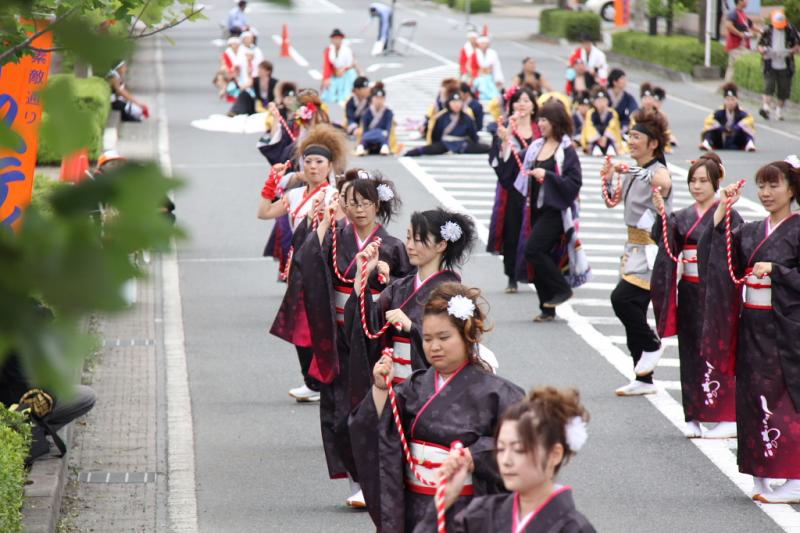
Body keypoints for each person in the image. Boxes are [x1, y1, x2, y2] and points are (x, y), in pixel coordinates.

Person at [349, 282, 525, 532]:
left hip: (469, 507)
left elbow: (524, 451)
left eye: (444, 337)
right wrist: (380, 388)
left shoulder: (499, 394)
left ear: (468, 336)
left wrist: (474, 456)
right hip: (415, 506)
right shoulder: (414, 386)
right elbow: (372, 430)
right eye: (428, 338)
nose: (434, 346)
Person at [297, 173, 412, 507]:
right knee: (339, 411)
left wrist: (386, 282)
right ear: (343, 203)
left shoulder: (392, 245)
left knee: (371, 409)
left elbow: (404, 291)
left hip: (373, 337)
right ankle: (357, 479)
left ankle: (374, 479)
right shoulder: (335, 236)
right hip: (337, 336)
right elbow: (307, 264)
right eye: (353, 202)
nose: (359, 210)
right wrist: (322, 221)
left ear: (378, 205)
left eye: (366, 203)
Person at [701, 156, 800, 503]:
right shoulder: (754, 231)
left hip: (786, 329)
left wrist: (778, 271)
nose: (766, 192)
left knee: (783, 396)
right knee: (752, 394)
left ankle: (794, 476)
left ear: (792, 189)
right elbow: (720, 253)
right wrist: (721, 210)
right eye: (762, 185)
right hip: (752, 326)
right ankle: (760, 472)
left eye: (774, 185)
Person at [420, 387, 596, 533]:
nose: (505, 460)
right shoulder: (483, 513)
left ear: (554, 454)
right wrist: (444, 499)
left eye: (519, 449)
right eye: (501, 448)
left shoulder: (574, 528)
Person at [650, 153, 739, 439]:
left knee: (719, 351)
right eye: (693, 181)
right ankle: (693, 415)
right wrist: (662, 215)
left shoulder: (730, 212)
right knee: (690, 353)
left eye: (703, 181)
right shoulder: (682, 216)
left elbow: (736, 249)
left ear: (716, 183)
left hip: (717, 293)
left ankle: (725, 414)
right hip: (689, 289)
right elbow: (666, 244)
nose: (697, 186)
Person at [259, 124, 348, 402]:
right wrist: (271, 183)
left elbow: (344, 231)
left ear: (330, 165)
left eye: (319, 162)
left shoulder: (336, 195)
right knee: (297, 325)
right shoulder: (295, 195)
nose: (312, 167)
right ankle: (312, 381)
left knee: (323, 324)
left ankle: (323, 381)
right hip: (299, 266)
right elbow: (264, 212)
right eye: (307, 162)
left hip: (324, 267)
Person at [601, 109, 672, 396]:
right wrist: (610, 176)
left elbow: (664, 183)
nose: (631, 141)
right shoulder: (635, 170)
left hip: (651, 249)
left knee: (623, 299)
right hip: (634, 247)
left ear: (653, 143)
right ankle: (643, 378)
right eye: (630, 136)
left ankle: (653, 347)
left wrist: (636, 171)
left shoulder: (657, 169)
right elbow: (612, 202)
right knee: (634, 308)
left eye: (637, 136)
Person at [513, 101, 585, 322]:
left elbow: (574, 182)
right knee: (541, 254)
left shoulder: (566, 150)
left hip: (556, 211)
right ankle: (547, 307)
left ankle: (562, 289)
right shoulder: (536, 147)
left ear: (556, 122)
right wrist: (505, 137)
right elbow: (514, 161)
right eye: (540, 119)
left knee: (533, 249)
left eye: (545, 119)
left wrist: (548, 177)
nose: (540, 123)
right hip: (535, 209)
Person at [488, 86, 541, 294]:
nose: (522, 104)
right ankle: (511, 275)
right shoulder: (505, 129)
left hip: (536, 188)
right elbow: (499, 159)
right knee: (511, 232)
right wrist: (506, 137)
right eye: (518, 100)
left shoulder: (540, 129)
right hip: (511, 190)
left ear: (534, 106)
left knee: (536, 231)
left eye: (527, 100)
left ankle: (534, 273)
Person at [1, 347, 96, 463]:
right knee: (85, 396)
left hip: (20, 402)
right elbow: (21, 387)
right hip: (14, 408)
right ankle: (29, 437)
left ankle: (33, 434)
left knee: (84, 395)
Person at [406, 91, 490, 156]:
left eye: (458, 102)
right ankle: (410, 152)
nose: (456, 105)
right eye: (453, 102)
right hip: (445, 143)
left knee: (484, 148)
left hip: (462, 144)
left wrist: (479, 143)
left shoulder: (467, 118)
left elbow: (473, 135)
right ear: (449, 103)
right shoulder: (442, 116)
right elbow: (436, 134)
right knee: (428, 149)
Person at [757, 10, 800, 121]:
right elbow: (760, 46)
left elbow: (797, 47)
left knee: (784, 89)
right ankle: (766, 108)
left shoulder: (791, 30)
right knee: (769, 86)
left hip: (786, 64)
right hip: (769, 63)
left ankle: (779, 111)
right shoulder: (767, 30)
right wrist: (763, 51)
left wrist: (790, 51)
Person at [700, 83, 756, 152]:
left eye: (733, 99)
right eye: (728, 100)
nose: (730, 102)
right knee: (710, 129)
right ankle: (707, 143)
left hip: (736, 139)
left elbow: (750, 120)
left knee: (746, 129)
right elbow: (709, 120)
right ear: (724, 100)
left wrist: (737, 127)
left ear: (737, 100)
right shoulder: (719, 112)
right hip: (721, 139)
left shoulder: (742, 113)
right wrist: (721, 128)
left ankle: (749, 144)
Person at [580, 87, 623, 157]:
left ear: (607, 102)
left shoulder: (612, 113)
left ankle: (611, 148)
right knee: (593, 143)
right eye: (599, 101)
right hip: (596, 140)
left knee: (611, 142)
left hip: (608, 139)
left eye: (603, 100)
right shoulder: (591, 113)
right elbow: (589, 127)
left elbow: (613, 127)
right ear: (594, 103)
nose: (601, 103)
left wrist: (605, 137)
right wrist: (598, 138)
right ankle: (595, 148)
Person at [356, 82, 394, 156]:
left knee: (384, 136)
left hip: (382, 137)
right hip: (369, 136)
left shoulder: (388, 112)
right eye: (377, 98)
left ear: (384, 99)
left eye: (381, 98)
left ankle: (384, 147)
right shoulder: (367, 112)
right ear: (372, 99)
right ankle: (361, 147)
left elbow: (388, 128)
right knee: (365, 138)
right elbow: (365, 129)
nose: (379, 101)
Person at [322, 29, 359, 105]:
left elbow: (351, 63)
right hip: (335, 73)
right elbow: (327, 66)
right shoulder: (328, 50)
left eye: (338, 39)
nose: (336, 41)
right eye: (335, 39)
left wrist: (343, 70)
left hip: (346, 73)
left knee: (350, 79)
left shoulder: (347, 50)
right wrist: (326, 78)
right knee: (329, 92)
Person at [724, 0, 758, 82]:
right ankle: (728, 88)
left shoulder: (742, 14)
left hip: (741, 45)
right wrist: (739, 33)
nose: (747, 2)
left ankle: (728, 88)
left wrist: (761, 31)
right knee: (735, 66)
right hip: (736, 46)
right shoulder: (733, 13)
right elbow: (728, 25)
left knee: (733, 67)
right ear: (739, 1)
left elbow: (751, 25)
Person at [471, 36, 504, 102]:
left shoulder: (493, 54)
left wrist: (498, 79)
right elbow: (471, 67)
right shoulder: (475, 54)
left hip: (491, 78)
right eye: (482, 43)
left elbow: (497, 67)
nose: (484, 45)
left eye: (485, 43)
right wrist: (477, 74)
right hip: (478, 77)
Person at [606, 68, 638, 135]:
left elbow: (634, 110)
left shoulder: (627, 97)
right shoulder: (605, 95)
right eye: (622, 79)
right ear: (615, 82)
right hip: (605, 124)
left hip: (621, 126)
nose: (625, 81)